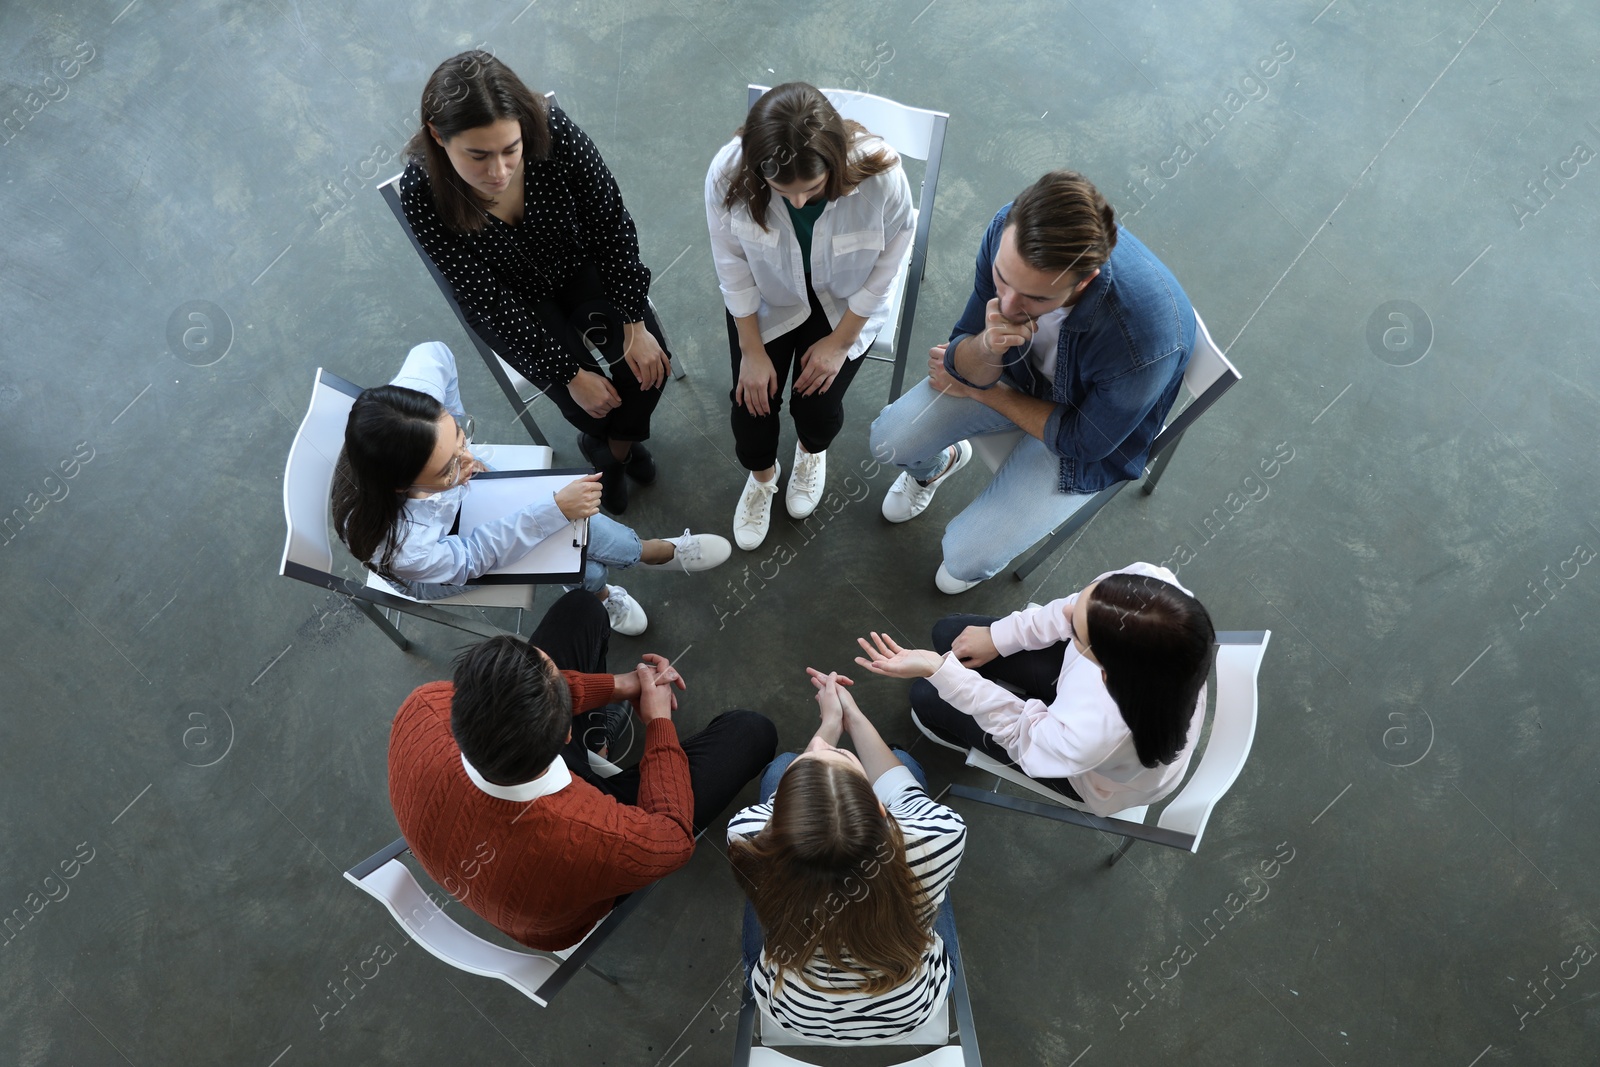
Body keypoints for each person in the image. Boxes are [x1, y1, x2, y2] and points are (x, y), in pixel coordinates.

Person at [389, 589, 778, 951]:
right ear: (565, 738)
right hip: (563, 885)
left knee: (582, 607)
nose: (555, 669)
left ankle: (598, 744)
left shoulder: (423, 707)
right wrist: (659, 722)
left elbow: (532, 688)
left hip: (483, 841)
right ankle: (599, 746)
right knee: (754, 732)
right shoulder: (591, 837)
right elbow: (671, 841)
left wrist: (621, 685)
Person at [869, 170, 1196, 593]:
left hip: (1086, 423)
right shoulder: (1007, 230)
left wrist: (984, 392)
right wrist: (987, 348)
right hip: (1020, 375)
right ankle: (935, 468)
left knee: (963, 560)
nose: (1007, 304)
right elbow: (963, 353)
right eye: (1003, 278)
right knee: (888, 440)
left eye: (1036, 298)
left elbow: (1086, 442)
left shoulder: (1145, 341)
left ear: (1086, 280)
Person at [399, 50, 671, 514]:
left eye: (511, 150)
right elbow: (487, 299)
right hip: (512, 303)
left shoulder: (554, 131)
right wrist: (568, 373)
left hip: (579, 263)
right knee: (583, 402)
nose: (499, 173)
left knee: (647, 372)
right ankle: (618, 448)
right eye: (478, 156)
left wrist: (633, 320)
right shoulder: (421, 192)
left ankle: (611, 457)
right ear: (438, 137)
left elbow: (610, 223)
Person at [331, 341, 730, 635]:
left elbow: (434, 353)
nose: (469, 463)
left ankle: (611, 581)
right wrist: (555, 510)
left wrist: (456, 448)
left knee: (568, 541)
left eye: (460, 439)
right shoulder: (404, 544)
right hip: (443, 565)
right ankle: (649, 553)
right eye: (450, 466)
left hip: (453, 511)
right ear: (402, 485)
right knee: (561, 532)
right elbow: (472, 557)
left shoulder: (417, 407)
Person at [706, 82, 914, 549]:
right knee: (750, 407)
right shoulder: (727, 175)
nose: (798, 202)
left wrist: (841, 341)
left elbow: (888, 264)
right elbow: (732, 266)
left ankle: (809, 452)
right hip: (768, 298)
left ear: (836, 163)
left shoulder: (882, 177)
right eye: (783, 191)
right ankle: (762, 478)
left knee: (817, 405)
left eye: (813, 189)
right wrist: (751, 351)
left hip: (844, 302)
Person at [854, 562, 1214, 817]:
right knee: (950, 634)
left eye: (1076, 631)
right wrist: (1000, 636)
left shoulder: (1098, 734)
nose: (1067, 610)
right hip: (1088, 709)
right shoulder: (1148, 585)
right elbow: (1073, 608)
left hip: (1082, 769)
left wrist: (938, 670)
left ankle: (951, 732)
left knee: (925, 696)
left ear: (1105, 670)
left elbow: (1022, 733)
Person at [727, 669, 965, 1041]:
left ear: (778, 825)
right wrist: (852, 718)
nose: (825, 747)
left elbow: (792, 801)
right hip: (911, 1008)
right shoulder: (939, 836)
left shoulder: (745, 835)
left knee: (778, 769)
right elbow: (902, 789)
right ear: (884, 811)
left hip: (792, 1012)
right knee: (905, 762)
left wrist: (828, 726)